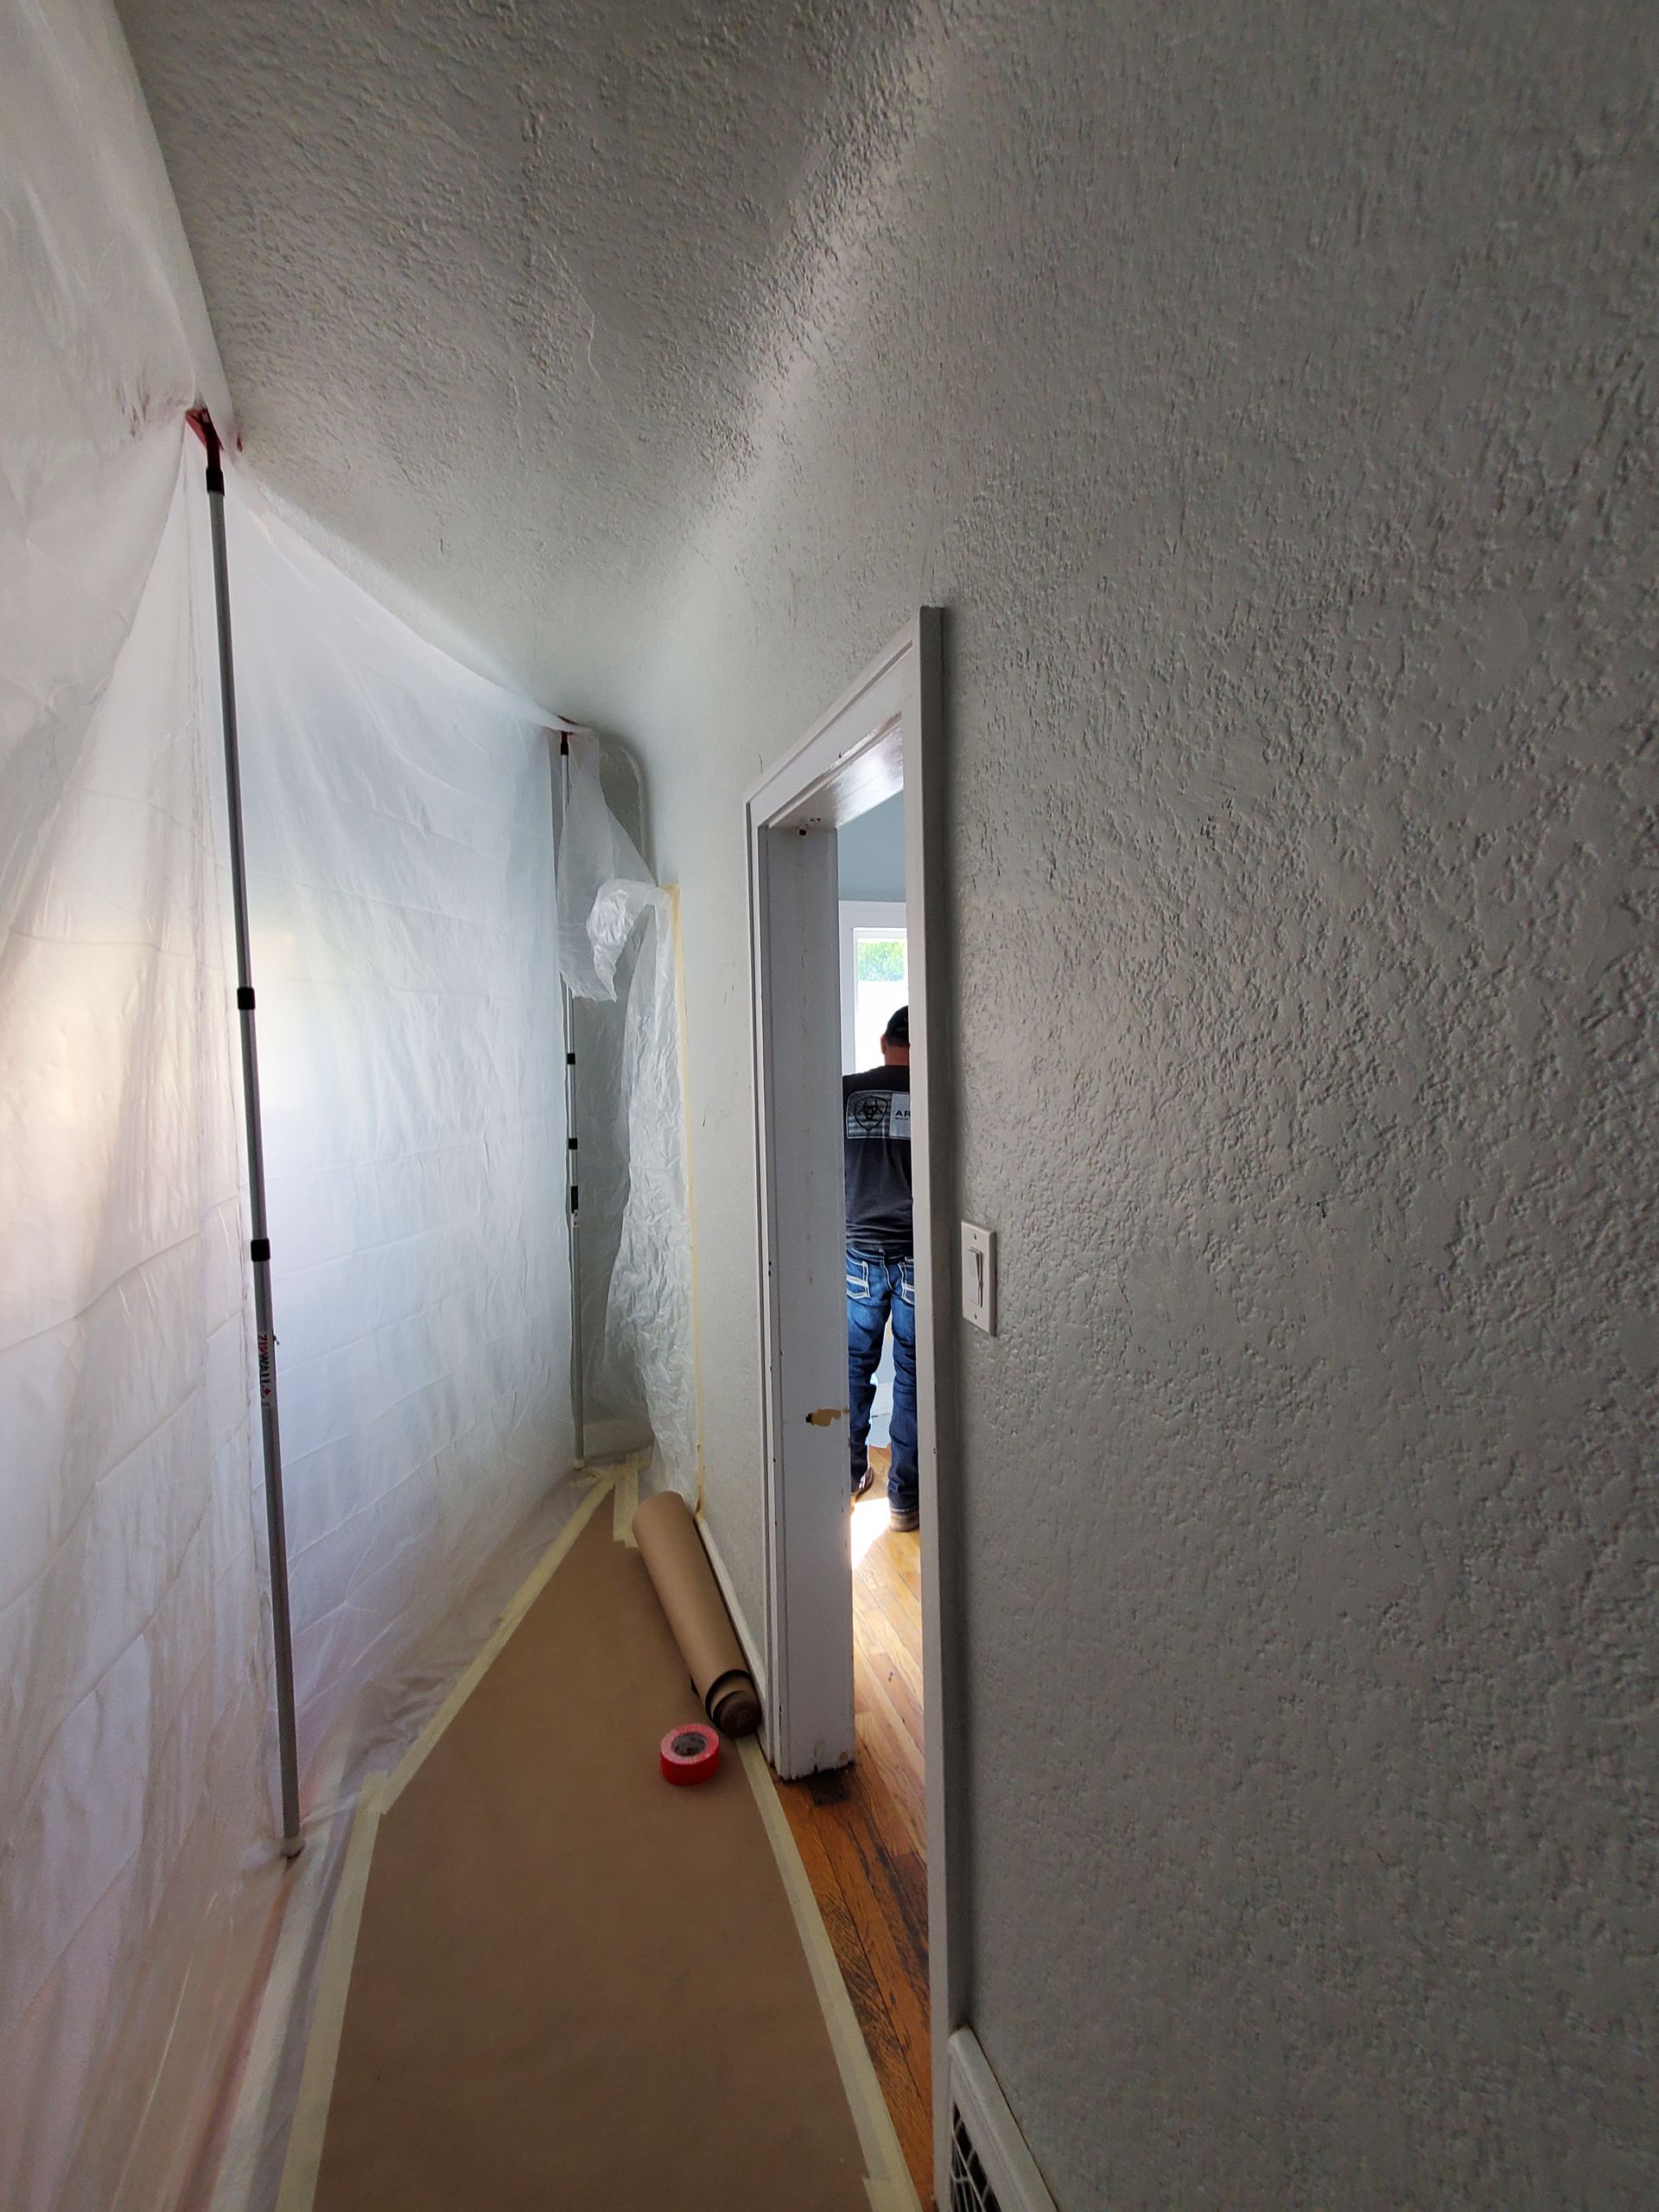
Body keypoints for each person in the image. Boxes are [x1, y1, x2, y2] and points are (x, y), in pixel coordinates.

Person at [843, 1004, 918, 1532]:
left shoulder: (844, 1091)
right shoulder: (936, 1093)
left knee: (853, 1367)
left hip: (858, 1255)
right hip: (920, 1257)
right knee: (912, 1375)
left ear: (882, 1042)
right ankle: (905, 1501)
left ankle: (846, 1478)